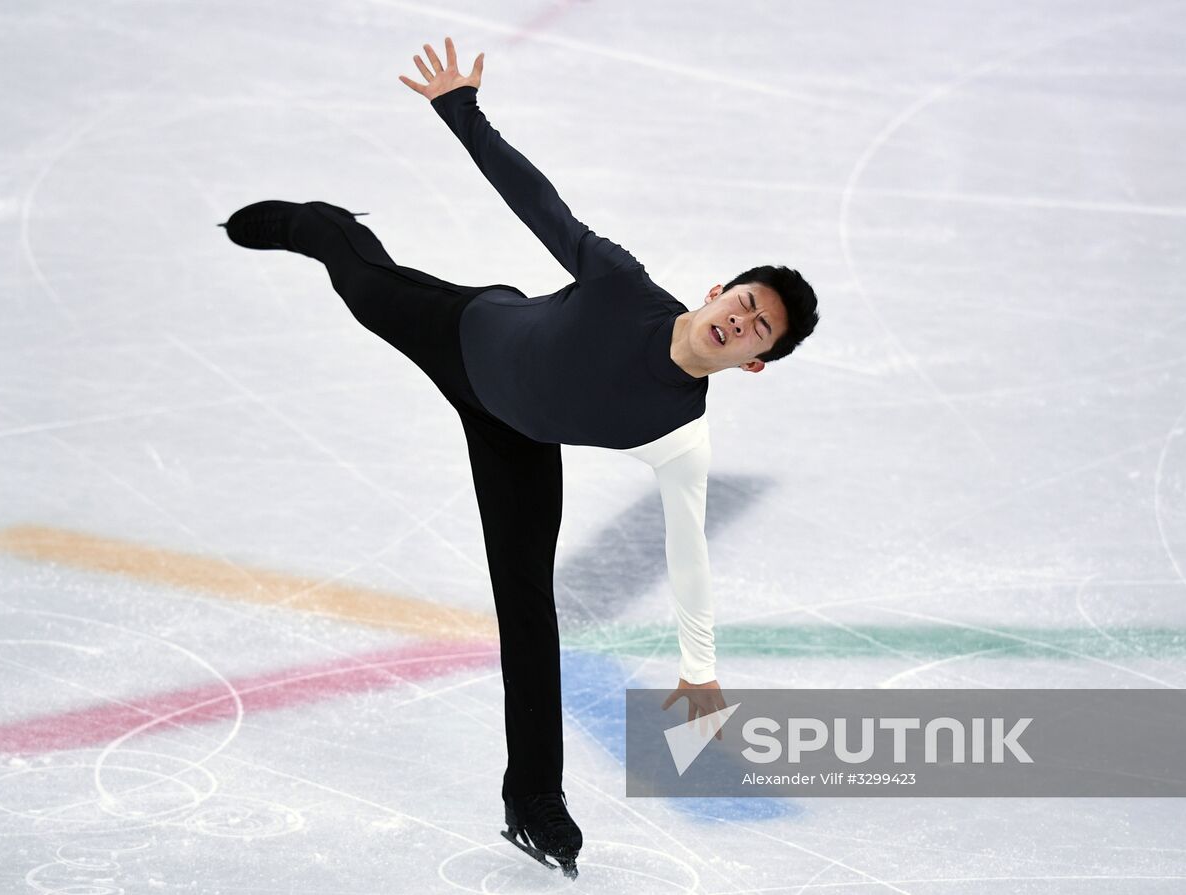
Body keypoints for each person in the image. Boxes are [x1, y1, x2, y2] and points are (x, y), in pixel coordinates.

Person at [220, 36, 819, 879]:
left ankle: (534, 796)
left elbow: (690, 561)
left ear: (753, 363)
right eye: (746, 303)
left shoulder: (684, 433)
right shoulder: (622, 284)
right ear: (720, 289)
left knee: (529, 608)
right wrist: (460, 109)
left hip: (517, 438)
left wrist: (698, 673)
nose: (741, 322)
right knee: (359, 282)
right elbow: (539, 203)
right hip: (464, 333)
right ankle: (322, 223)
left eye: (759, 331)